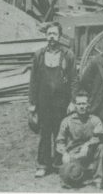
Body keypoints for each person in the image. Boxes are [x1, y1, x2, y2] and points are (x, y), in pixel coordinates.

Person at [29, 22, 77, 178]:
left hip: (61, 102)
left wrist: (73, 101)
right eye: (49, 34)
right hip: (44, 102)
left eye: (54, 34)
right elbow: (33, 81)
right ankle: (43, 164)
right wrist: (32, 104)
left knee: (60, 132)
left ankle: (58, 163)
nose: (51, 37)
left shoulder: (68, 54)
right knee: (45, 133)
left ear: (60, 36)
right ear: (45, 36)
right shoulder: (39, 55)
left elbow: (74, 79)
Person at [55, 91, 103, 188]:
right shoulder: (67, 121)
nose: (82, 106)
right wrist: (64, 153)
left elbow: (100, 137)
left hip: (90, 152)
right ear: (75, 106)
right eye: (79, 104)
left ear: (88, 105)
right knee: (72, 179)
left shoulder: (95, 120)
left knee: (102, 147)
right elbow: (60, 141)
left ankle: (98, 178)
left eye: (84, 103)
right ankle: (79, 174)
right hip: (74, 154)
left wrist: (88, 145)